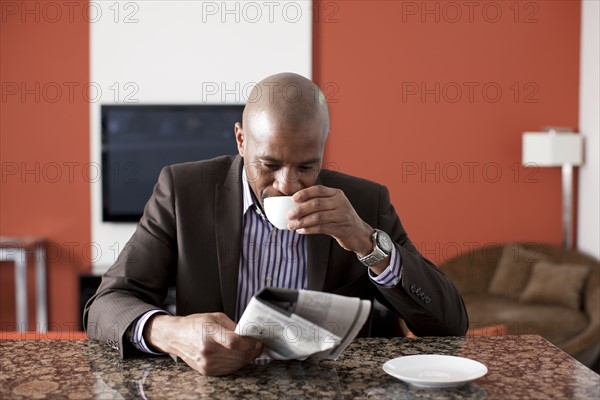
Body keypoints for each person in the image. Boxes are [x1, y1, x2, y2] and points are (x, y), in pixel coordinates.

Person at [84, 72, 468, 376]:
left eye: (306, 166)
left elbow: (450, 326)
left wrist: (368, 244)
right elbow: (105, 305)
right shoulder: (184, 191)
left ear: (322, 147)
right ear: (240, 140)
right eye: (269, 165)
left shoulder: (365, 202)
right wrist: (170, 332)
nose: (288, 185)